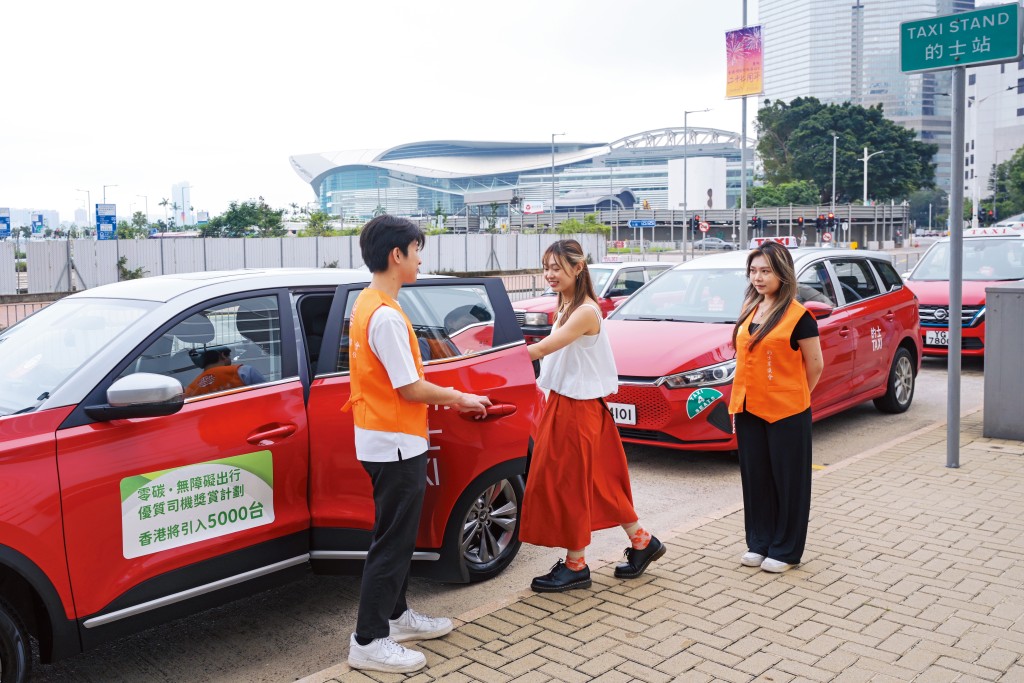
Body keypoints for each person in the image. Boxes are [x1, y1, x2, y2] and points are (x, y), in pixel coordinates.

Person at [342, 214, 491, 674]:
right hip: (395, 442)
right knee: (391, 542)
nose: (421, 259)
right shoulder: (385, 315)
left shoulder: (369, 303)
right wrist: (462, 397)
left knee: (397, 537)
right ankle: (368, 640)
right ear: (397, 255)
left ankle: (396, 616)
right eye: (417, 250)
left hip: (383, 437)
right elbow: (410, 388)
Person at [520, 239, 665, 593]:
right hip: (572, 404)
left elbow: (542, 349)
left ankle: (576, 566)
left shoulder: (584, 311)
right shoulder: (566, 304)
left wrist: (494, 362)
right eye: (546, 267)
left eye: (557, 267)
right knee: (600, 482)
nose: (549, 274)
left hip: (576, 408)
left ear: (578, 267)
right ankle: (643, 542)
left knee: (570, 483)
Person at [728, 241, 824, 573]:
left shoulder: (800, 316)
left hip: (787, 411)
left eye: (766, 271)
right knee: (756, 479)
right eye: (753, 271)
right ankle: (760, 542)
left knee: (789, 481)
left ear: (782, 273)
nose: (758, 277)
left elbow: (816, 365)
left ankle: (785, 549)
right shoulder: (750, 309)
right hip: (747, 407)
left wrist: (796, 396)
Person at [183, 347, 266, 397]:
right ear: (223, 355)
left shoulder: (191, 388)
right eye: (229, 356)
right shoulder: (244, 372)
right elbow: (268, 395)